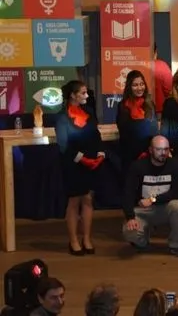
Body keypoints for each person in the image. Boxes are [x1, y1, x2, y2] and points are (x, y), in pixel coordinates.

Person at [55, 80, 104, 256]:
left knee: (88, 199)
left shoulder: (89, 112)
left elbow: (96, 136)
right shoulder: (62, 118)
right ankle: (74, 240)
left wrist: (100, 155)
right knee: (74, 201)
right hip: (73, 165)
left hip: (91, 163)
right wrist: (82, 159)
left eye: (86, 93)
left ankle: (87, 238)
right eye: (83, 93)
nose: (87, 96)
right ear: (73, 95)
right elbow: (63, 145)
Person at [123, 135, 178, 256]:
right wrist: (130, 217)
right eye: (158, 149)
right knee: (129, 232)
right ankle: (143, 242)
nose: (163, 153)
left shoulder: (175, 165)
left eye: (166, 149)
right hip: (143, 210)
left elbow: (175, 192)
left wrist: (152, 199)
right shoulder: (137, 166)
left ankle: (176, 244)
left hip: (166, 208)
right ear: (150, 150)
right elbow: (128, 193)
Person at [116, 69, 159, 176]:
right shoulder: (123, 106)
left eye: (141, 84)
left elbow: (154, 130)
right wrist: (139, 153)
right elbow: (125, 134)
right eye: (135, 85)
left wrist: (149, 151)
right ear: (129, 87)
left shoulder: (150, 104)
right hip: (131, 156)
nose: (139, 88)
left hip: (150, 154)